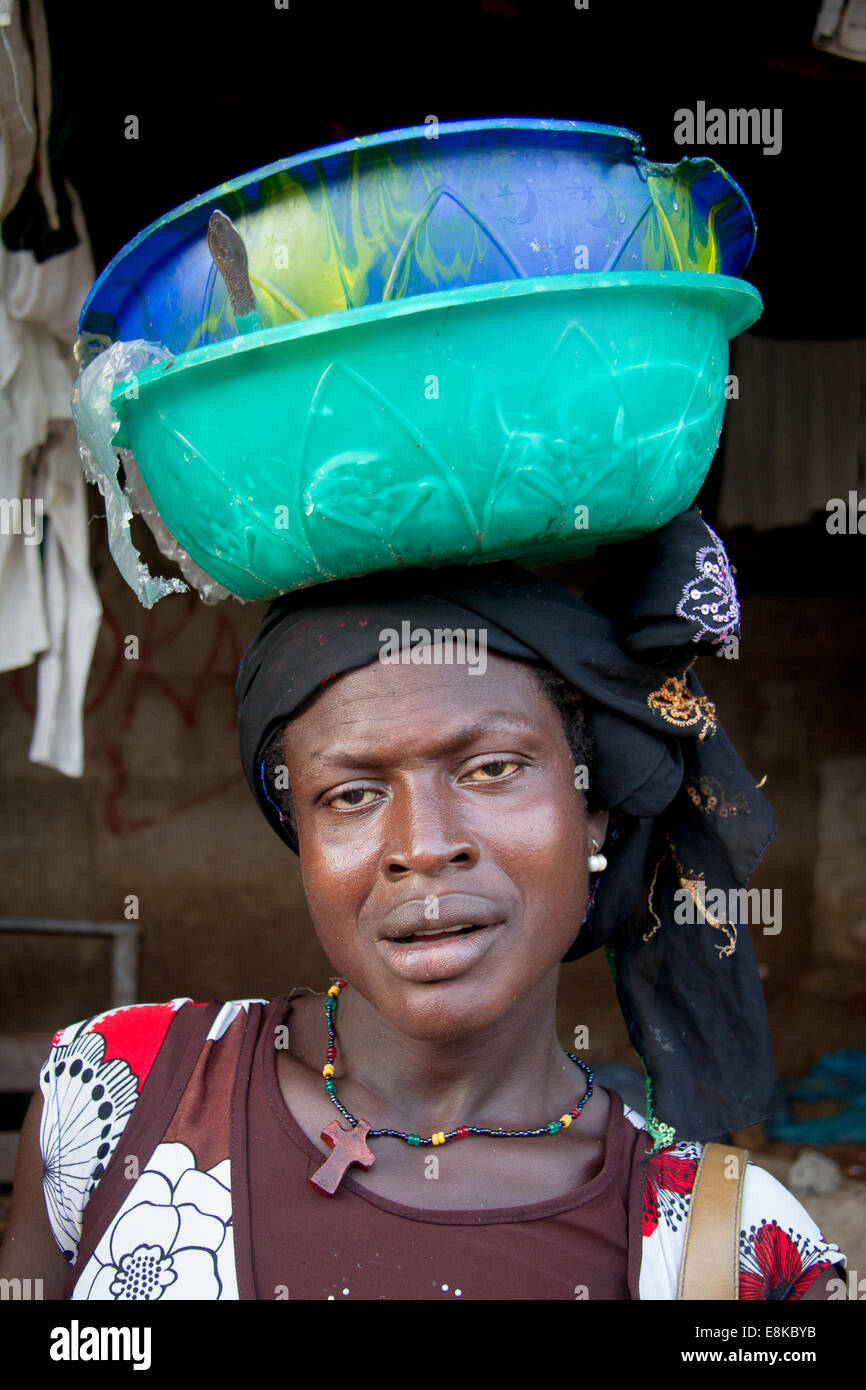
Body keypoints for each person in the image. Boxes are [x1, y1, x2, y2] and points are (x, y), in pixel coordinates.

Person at [0, 508, 847, 1299]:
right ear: (302, 838)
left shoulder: (736, 1250)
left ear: (594, 807)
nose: (424, 844)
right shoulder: (116, 1092)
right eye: (353, 794)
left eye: (492, 770)